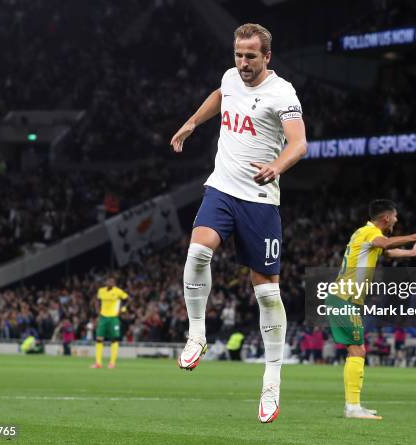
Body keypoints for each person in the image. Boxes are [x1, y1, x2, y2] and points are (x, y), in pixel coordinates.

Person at [170, 23, 307, 423]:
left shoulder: (283, 93)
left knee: (267, 294)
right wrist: (194, 122)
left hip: (261, 200)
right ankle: (197, 332)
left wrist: (276, 166)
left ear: (267, 56)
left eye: (251, 56)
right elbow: (220, 95)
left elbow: (299, 143)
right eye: (238, 55)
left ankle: (272, 380)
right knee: (197, 251)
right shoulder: (230, 78)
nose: (243, 63)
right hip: (222, 189)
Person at [327, 199, 416, 420]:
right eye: (395, 217)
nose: (397, 220)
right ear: (386, 218)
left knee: (358, 350)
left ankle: (354, 405)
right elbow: (385, 244)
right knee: (357, 350)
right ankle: (352, 407)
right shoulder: (369, 233)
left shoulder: (365, 235)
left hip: (346, 299)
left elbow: (387, 252)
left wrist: (411, 253)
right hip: (344, 299)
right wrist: (415, 237)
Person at [91, 276, 129, 369]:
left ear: (114, 283)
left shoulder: (118, 291)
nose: (110, 283)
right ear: (106, 282)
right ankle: (98, 363)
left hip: (113, 318)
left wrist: (123, 309)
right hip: (103, 318)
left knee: (114, 340)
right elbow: (97, 300)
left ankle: (112, 363)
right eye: (109, 281)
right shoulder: (101, 290)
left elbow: (127, 299)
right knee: (99, 339)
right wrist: (97, 310)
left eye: (112, 281)